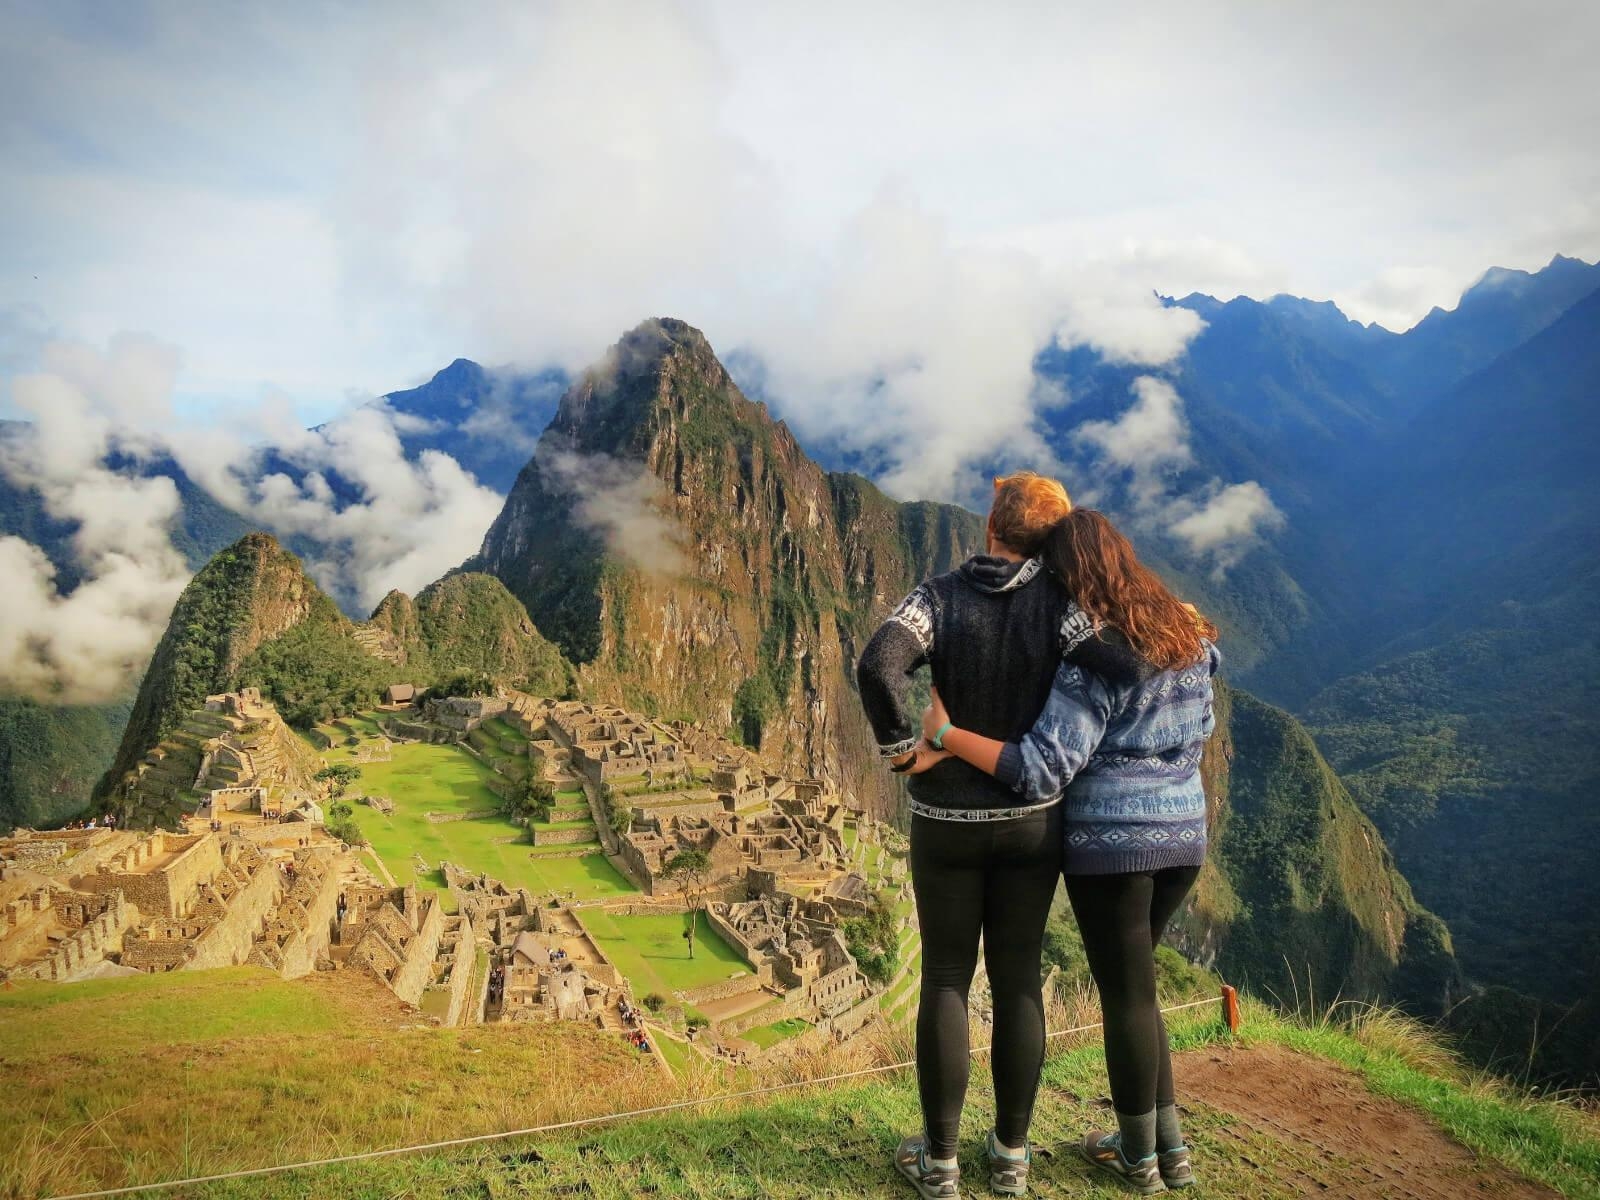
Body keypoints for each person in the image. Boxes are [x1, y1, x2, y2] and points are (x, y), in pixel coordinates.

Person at [915, 509, 1219, 1195]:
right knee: (1138, 990)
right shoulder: (1191, 634)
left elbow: (1040, 769)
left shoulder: (1092, 661)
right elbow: (1202, 721)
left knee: (1127, 998)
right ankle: (1167, 1151)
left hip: (1116, 843)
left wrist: (947, 736)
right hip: (1183, 835)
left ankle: (1139, 1160)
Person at [857, 470, 1074, 1200]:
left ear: (992, 527)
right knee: (1018, 982)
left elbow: (878, 664)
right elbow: (1123, 661)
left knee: (947, 978)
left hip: (946, 819)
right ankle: (1011, 1156)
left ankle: (940, 1163)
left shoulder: (938, 597)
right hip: (1030, 820)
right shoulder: (1065, 605)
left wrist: (904, 754)